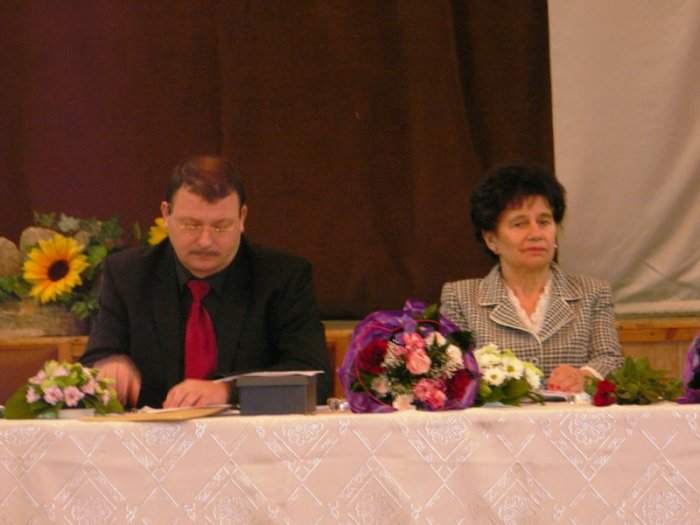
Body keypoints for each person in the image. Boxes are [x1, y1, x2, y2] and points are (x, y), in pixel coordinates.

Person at [81, 155, 330, 408]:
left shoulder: (283, 277)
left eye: (221, 226)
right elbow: (94, 361)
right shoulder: (128, 275)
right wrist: (109, 365)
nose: (205, 241)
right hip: (152, 431)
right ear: (166, 214)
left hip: (248, 432)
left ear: (242, 218)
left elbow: (314, 379)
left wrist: (228, 392)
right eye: (191, 225)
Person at [440, 165, 623, 392]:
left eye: (544, 222)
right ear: (491, 240)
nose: (536, 234)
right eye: (519, 224)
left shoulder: (593, 292)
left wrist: (585, 376)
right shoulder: (460, 297)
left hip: (573, 414)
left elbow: (610, 359)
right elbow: (452, 369)